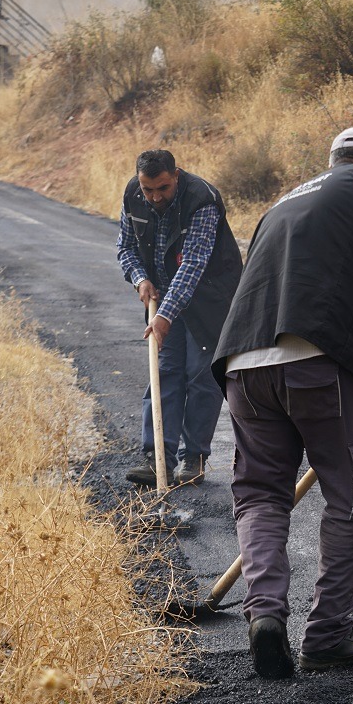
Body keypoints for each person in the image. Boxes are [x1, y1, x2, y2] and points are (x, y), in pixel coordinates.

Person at [212, 126, 353, 679]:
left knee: (262, 495)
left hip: (244, 364)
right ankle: (328, 634)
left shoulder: (286, 199)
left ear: (330, 160)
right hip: (321, 362)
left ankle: (265, 615)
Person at [116, 150, 242, 487]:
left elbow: (194, 265)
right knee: (164, 372)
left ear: (177, 175)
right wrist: (140, 278)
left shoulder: (203, 199)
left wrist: (166, 315)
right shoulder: (133, 194)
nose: (155, 197)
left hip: (209, 297)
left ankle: (194, 458)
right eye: (148, 190)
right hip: (161, 299)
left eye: (163, 188)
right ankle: (157, 457)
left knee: (201, 377)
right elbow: (125, 248)